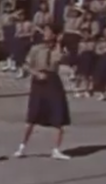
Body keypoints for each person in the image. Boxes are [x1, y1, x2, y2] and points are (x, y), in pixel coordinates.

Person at [13, 25, 71, 160]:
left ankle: (56, 149)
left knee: (58, 114)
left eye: (48, 31)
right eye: (45, 31)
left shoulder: (59, 48)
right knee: (32, 115)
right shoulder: (36, 49)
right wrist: (36, 73)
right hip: (38, 81)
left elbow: (58, 60)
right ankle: (22, 147)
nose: (45, 33)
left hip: (53, 81)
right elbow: (26, 65)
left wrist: (58, 44)